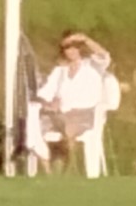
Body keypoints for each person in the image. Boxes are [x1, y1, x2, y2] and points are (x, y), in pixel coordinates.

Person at [33, 32, 112, 170]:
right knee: (33, 129)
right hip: (60, 115)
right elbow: (45, 93)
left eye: (75, 46)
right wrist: (48, 103)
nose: (71, 51)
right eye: (67, 47)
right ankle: (49, 174)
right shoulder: (59, 71)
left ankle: (69, 171)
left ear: (80, 48)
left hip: (84, 114)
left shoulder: (92, 66)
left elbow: (104, 56)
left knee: (69, 128)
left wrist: (85, 39)